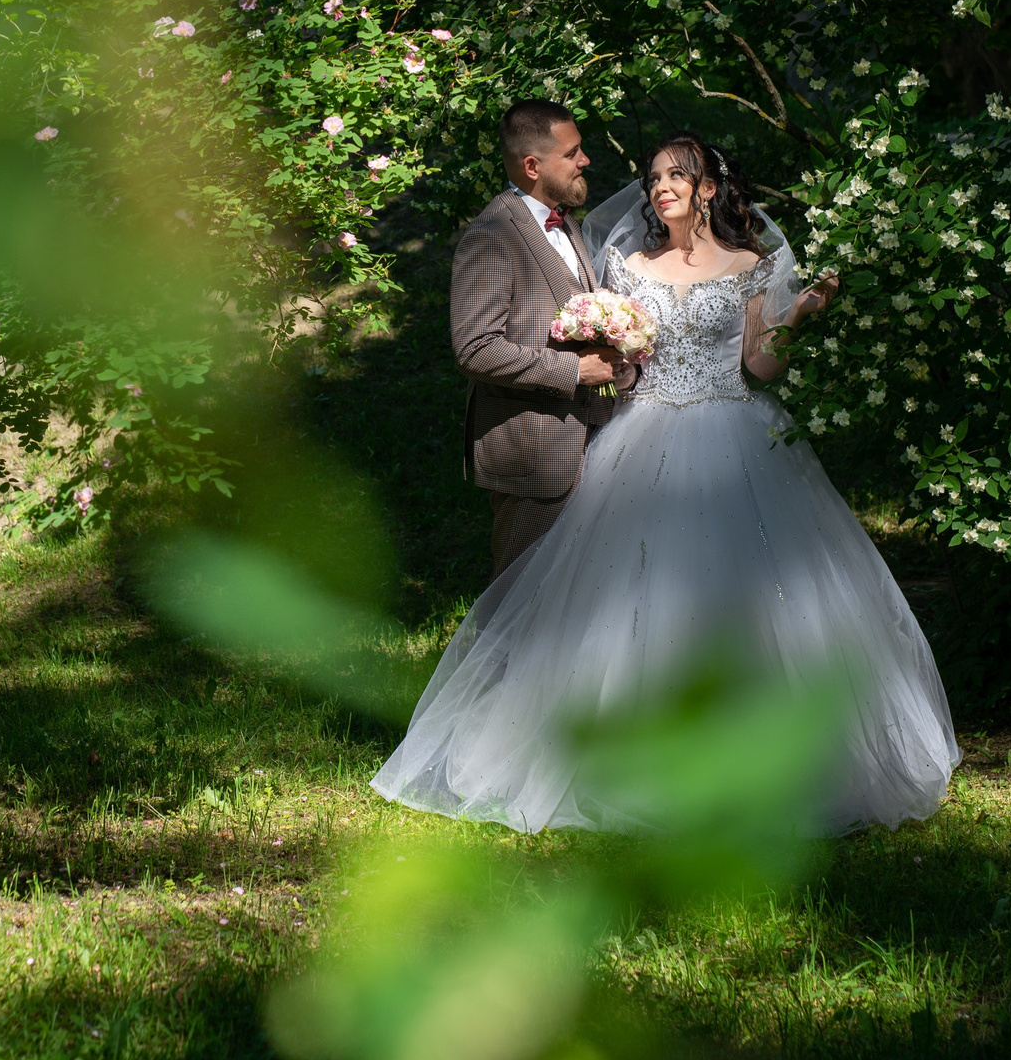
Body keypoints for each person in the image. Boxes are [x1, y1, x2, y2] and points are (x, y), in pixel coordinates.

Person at [377, 130, 961, 835]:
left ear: (708, 189)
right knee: (621, 593)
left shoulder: (749, 263)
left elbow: (760, 364)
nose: (659, 187)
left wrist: (799, 317)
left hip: (734, 430)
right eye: (653, 176)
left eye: (674, 176)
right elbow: (621, 353)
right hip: (642, 433)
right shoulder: (626, 264)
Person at [449, 99, 624, 579]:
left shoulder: (565, 223)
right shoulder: (492, 234)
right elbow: (474, 348)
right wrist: (575, 370)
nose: (585, 160)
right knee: (520, 602)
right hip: (533, 456)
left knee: (574, 599)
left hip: (591, 443)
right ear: (532, 166)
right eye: (572, 153)